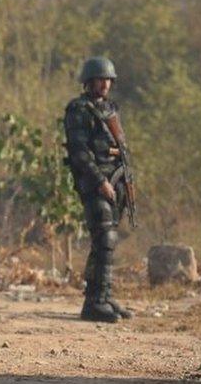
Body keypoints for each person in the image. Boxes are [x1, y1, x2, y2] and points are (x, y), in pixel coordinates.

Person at [63, 56, 134, 323]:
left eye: (107, 80)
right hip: (95, 184)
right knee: (104, 239)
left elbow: (120, 148)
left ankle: (101, 296)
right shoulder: (79, 110)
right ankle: (93, 304)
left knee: (106, 242)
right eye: (99, 79)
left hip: (115, 182)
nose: (104, 84)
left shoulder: (110, 108)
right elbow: (80, 153)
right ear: (88, 81)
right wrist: (100, 182)